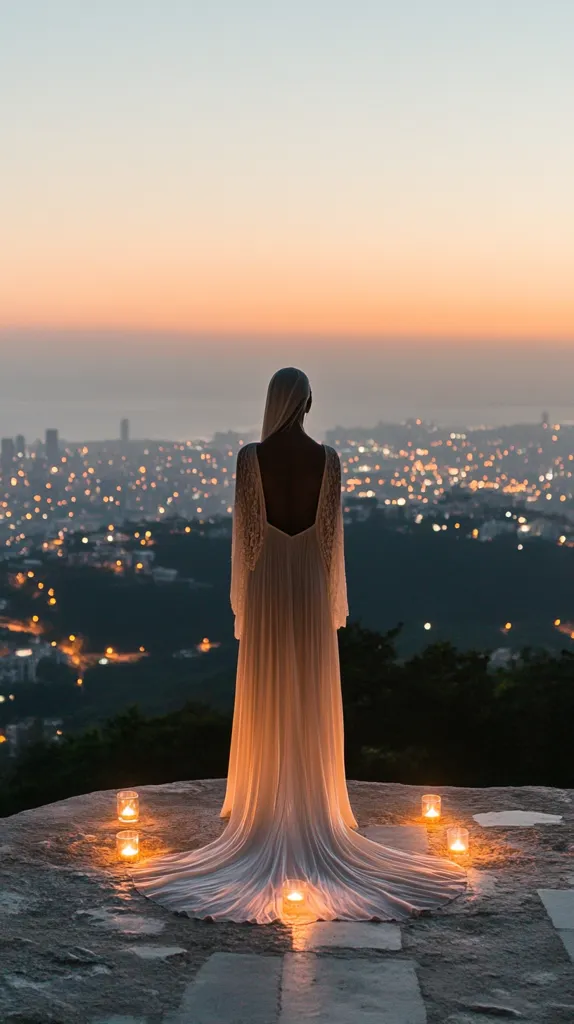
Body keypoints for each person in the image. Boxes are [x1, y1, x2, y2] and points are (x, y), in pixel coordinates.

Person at [132, 367, 466, 922]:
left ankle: (264, 800)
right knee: (310, 682)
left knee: (264, 682)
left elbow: (246, 540)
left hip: (267, 581)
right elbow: (333, 544)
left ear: (273, 402)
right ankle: (313, 801)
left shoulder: (248, 459)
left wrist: (245, 597)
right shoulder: (329, 461)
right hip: (309, 580)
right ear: (308, 403)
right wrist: (329, 598)